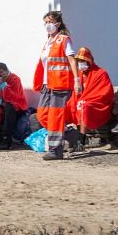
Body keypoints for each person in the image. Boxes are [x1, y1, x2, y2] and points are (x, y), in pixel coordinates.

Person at [32, 10, 81, 161]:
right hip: (48, 84)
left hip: (60, 84)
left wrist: (77, 80)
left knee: (55, 117)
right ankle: (70, 134)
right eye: (45, 22)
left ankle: (55, 150)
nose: (47, 25)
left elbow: (72, 60)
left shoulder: (64, 40)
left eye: (50, 22)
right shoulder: (48, 42)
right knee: (42, 115)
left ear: (57, 24)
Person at [70, 47, 113, 150]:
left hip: (97, 103)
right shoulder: (78, 75)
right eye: (79, 61)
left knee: (84, 107)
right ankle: (67, 137)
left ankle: (81, 140)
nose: (81, 63)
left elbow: (105, 92)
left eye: (83, 61)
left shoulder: (100, 73)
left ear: (89, 61)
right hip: (81, 101)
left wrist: (87, 99)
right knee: (67, 106)